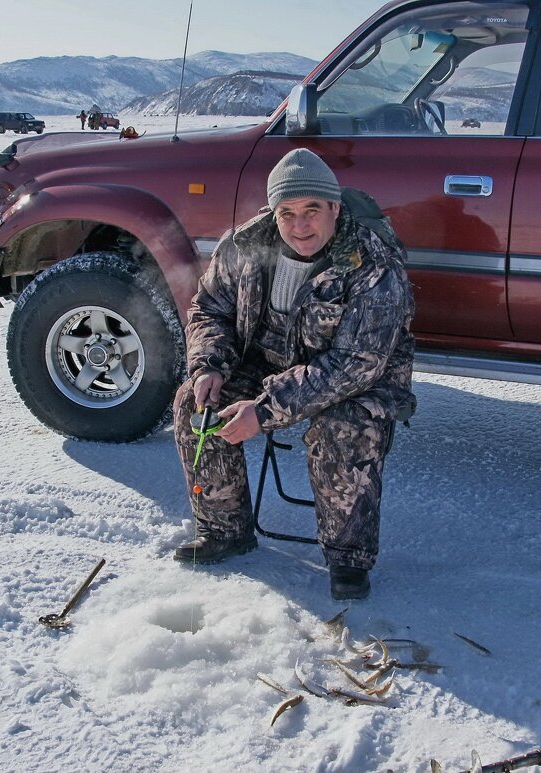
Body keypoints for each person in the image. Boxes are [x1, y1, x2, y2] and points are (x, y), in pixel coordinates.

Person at [172, 148, 416, 600]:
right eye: (287, 213)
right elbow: (209, 308)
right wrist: (209, 363)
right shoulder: (245, 245)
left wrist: (262, 412)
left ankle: (349, 556)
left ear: (334, 209)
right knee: (195, 402)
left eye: (311, 211)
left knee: (342, 427)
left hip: (354, 382)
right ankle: (224, 529)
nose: (300, 225)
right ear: (273, 212)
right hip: (267, 364)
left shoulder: (373, 266)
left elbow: (355, 365)